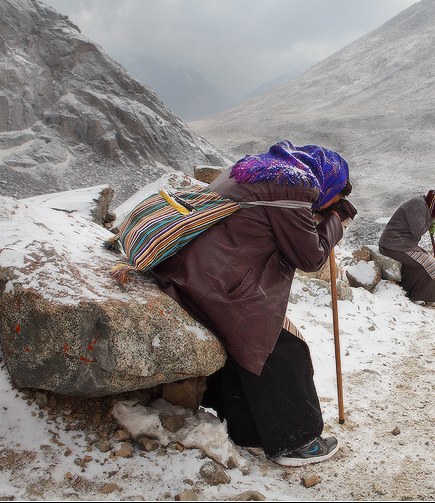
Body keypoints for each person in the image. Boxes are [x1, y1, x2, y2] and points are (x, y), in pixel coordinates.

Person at [151, 141, 356, 467]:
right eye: (336, 197)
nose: (330, 203)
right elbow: (311, 255)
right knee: (280, 350)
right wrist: (335, 218)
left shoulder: (258, 168)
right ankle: (297, 442)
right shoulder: (292, 187)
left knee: (259, 343)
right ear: (326, 184)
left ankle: (247, 431)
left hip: (189, 267)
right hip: (213, 284)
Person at [378, 190, 435, 305]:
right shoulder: (418, 205)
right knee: (427, 262)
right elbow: (418, 231)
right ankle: (416, 295)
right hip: (392, 245)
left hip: (403, 244)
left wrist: (430, 220)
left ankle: (428, 297)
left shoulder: (424, 205)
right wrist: (430, 220)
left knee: (427, 259)